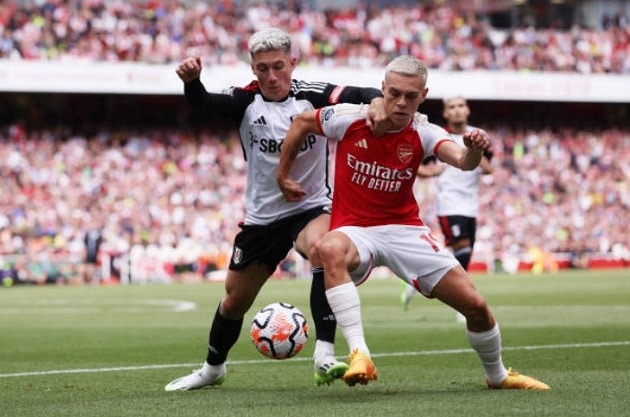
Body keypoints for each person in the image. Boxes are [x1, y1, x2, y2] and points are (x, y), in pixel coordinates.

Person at [276, 55, 550, 390]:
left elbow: (463, 161)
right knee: (327, 248)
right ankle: (359, 353)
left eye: (411, 96)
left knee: (476, 307)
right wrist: (283, 175)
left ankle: (497, 375)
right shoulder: (349, 119)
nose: (401, 102)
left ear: (423, 95)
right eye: (394, 93)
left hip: (405, 231)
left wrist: (475, 150)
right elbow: (302, 122)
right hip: (355, 231)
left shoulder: (424, 132)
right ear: (382, 90)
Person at [164, 27, 387, 391]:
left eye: (278, 67)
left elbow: (361, 93)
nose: (271, 76)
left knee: (323, 249)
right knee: (235, 300)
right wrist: (192, 82)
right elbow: (203, 103)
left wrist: (377, 102)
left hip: (311, 206)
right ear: (253, 68)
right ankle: (212, 369)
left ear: (292, 64)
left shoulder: (313, 95)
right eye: (263, 68)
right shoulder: (245, 101)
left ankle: (325, 353)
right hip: (262, 218)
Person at [401, 95, 493, 311]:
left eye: (461, 106)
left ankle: (419, 279)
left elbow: (489, 167)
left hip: (470, 204)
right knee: (463, 250)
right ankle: (464, 301)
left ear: (468, 110)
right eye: (452, 107)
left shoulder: (479, 135)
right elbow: (415, 166)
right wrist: (431, 171)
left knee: (458, 252)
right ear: (446, 113)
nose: (457, 110)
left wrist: (478, 153)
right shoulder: (438, 137)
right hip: (448, 204)